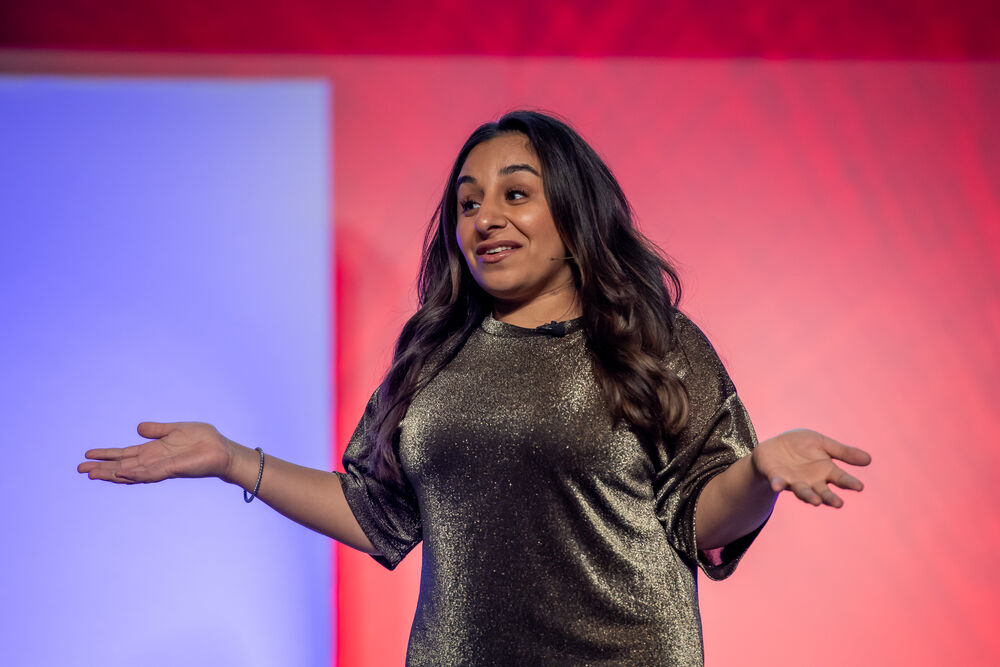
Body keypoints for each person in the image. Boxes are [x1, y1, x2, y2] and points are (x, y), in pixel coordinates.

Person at [79, 110, 871, 666]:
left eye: (515, 193)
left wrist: (760, 473)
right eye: (468, 202)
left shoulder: (648, 342)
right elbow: (379, 512)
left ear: (573, 212)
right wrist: (229, 459)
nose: (485, 217)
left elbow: (700, 518)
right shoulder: (432, 355)